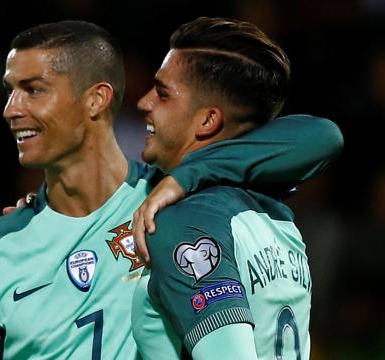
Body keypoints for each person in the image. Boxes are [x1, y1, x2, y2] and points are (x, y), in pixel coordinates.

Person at [0, 20, 342, 359]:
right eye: (10, 90)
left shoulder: (177, 210)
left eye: (33, 89)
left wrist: (185, 178)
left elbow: (319, 136)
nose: (11, 108)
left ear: (96, 99)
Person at [130, 17, 343, 359]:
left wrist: (186, 178)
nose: (143, 101)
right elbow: (325, 135)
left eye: (163, 93)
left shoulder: (186, 220)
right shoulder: (271, 212)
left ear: (207, 120)